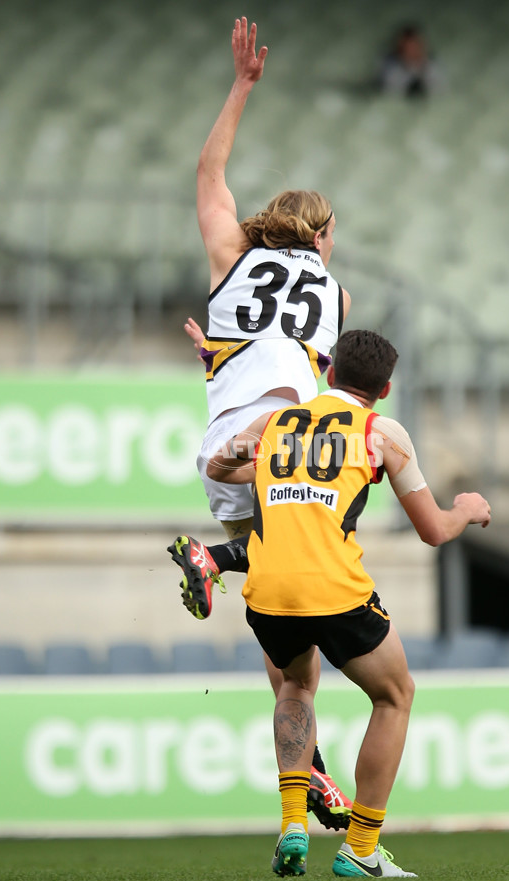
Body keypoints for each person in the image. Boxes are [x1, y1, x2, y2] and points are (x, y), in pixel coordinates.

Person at [201, 329, 491, 878]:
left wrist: (262, 466)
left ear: (329, 375)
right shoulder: (383, 432)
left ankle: (292, 823)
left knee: (295, 685)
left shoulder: (274, 423)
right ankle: (360, 848)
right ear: (383, 389)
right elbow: (432, 531)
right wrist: (467, 510)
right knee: (394, 696)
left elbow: (217, 467)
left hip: (267, 590)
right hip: (334, 589)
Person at [167, 17, 352, 831]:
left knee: (276, 622)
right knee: (301, 645)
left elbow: (208, 176)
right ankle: (218, 556)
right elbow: (318, 381)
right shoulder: (336, 297)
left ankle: (307, 774)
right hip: (282, 453)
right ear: (321, 235)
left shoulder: (231, 258)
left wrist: (240, 88)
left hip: (221, 452)